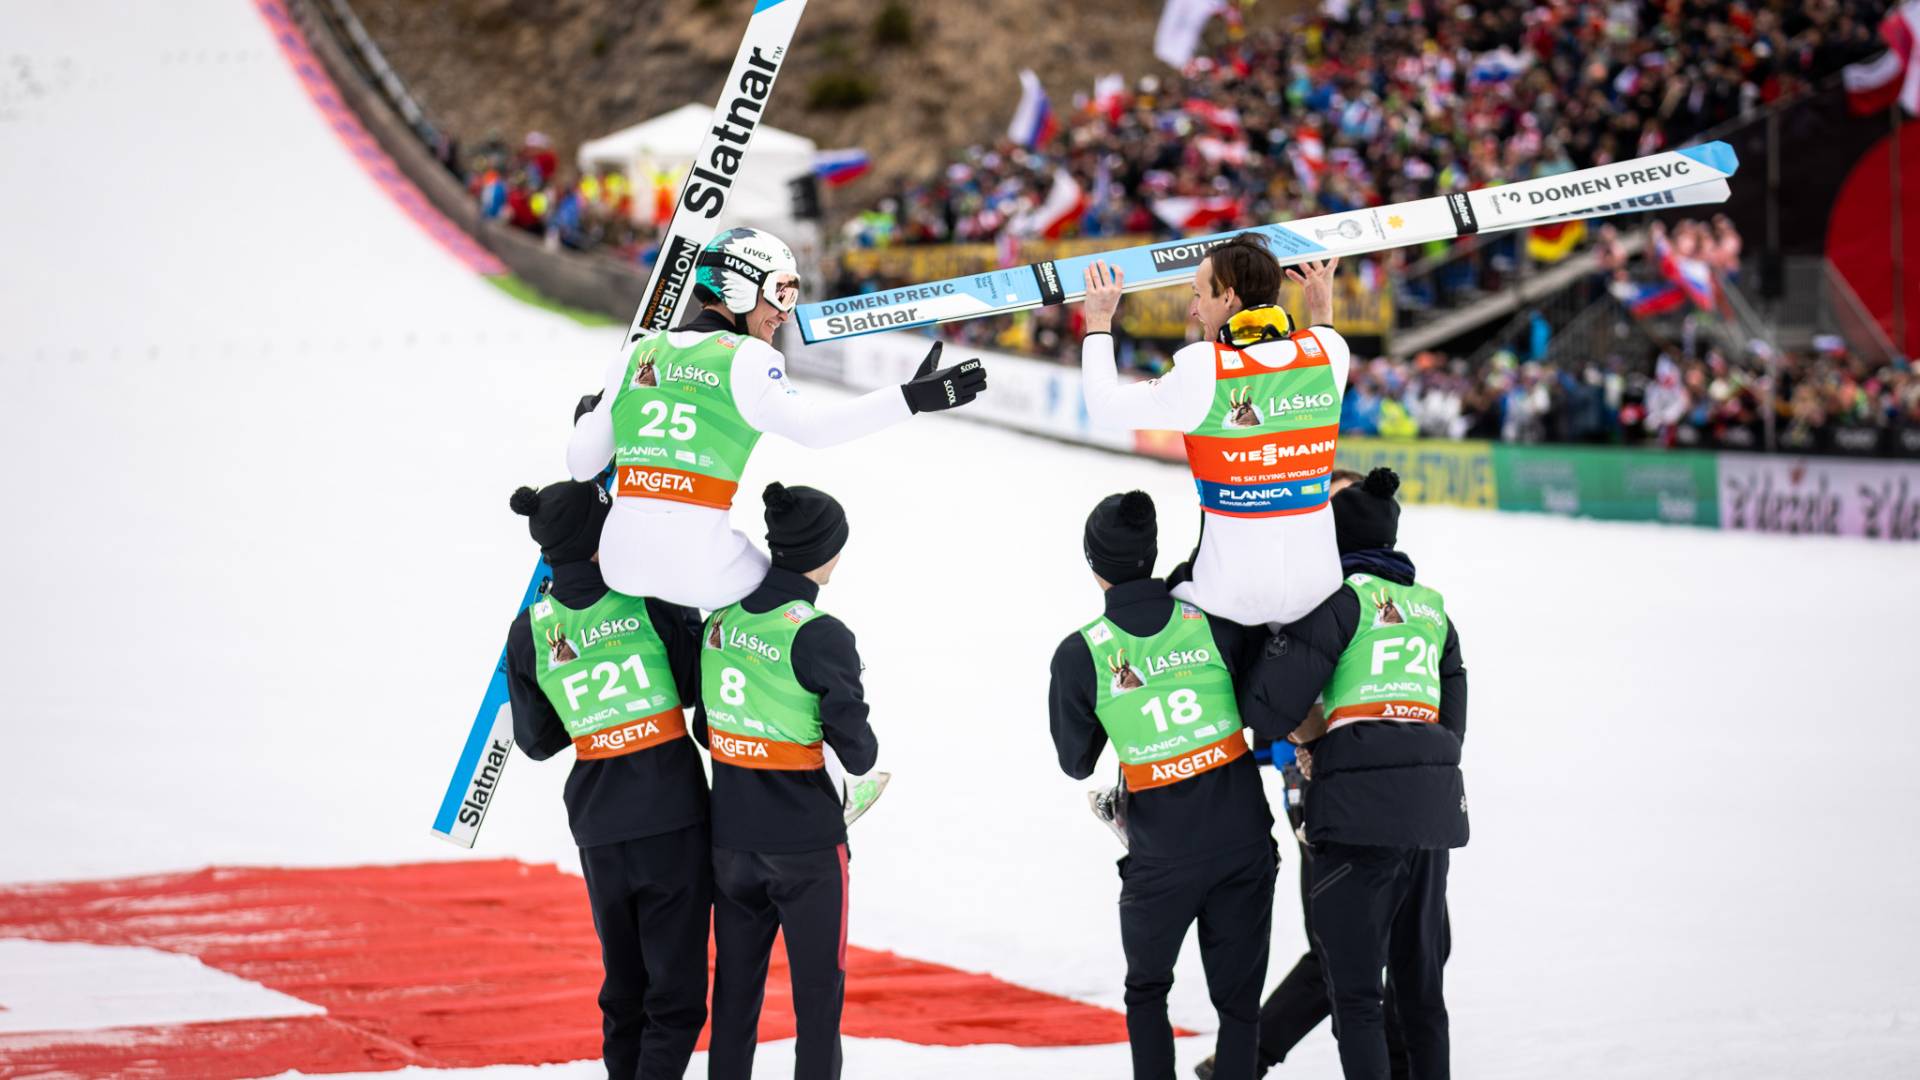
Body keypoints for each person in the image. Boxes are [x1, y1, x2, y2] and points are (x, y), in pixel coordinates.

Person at [568, 227, 988, 610]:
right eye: (781, 293)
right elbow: (816, 429)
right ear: (739, 288)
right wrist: (911, 398)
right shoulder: (748, 358)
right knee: (799, 575)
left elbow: (582, 464)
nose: (785, 313)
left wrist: (590, 418)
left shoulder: (636, 354)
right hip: (703, 573)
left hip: (619, 563)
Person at [1241, 468, 1469, 1080]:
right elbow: (1453, 722)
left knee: (1356, 994)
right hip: (1430, 814)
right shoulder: (1434, 610)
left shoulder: (1340, 603)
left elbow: (1267, 707)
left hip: (1355, 811)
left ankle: (1249, 1055)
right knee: (1423, 994)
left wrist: (1320, 741)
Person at [1048, 490, 1278, 1080]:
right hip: (1242, 840)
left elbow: (1076, 762)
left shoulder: (1081, 653)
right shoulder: (1213, 622)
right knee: (1239, 1005)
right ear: (1151, 552)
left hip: (1162, 856)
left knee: (1147, 991)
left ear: (1093, 564)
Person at [501, 479, 710, 1080]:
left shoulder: (530, 629)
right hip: (672, 818)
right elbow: (694, 688)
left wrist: (590, 703)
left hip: (599, 824)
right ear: (599, 542)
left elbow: (538, 741)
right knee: (676, 998)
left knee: (625, 989)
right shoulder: (647, 600)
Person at [695, 482, 878, 1080]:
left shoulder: (719, 619)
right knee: (818, 1004)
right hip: (806, 849)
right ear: (829, 552)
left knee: (733, 997)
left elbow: (706, 730)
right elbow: (859, 754)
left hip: (732, 842)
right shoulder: (821, 633)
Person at [1080, 236, 1351, 628]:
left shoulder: (1203, 368)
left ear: (1227, 297)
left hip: (1226, 601)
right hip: (1320, 592)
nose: (1194, 309)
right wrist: (1321, 306)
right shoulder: (1331, 351)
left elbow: (1104, 407)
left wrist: (1099, 320)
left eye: (1198, 294)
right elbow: (1322, 334)